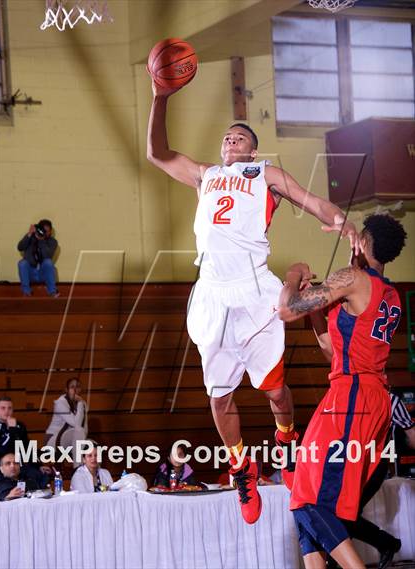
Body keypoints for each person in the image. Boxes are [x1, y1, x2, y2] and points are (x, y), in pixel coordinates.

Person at [146, 72, 359, 524]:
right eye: (227, 136)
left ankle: (285, 438)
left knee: (277, 392)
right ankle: (241, 465)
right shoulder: (205, 174)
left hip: (254, 287)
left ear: (251, 150)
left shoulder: (265, 174)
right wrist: (159, 97)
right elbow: (156, 153)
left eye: (239, 136)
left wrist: (342, 220)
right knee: (219, 398)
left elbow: (312, 199)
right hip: (213, 294)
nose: (230, 139)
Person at [277, 214, 407, 569]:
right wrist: (317, 309)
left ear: (363, 243)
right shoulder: (390, 295)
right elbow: (333, 351)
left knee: (309, 501)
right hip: (364, 396)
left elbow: (286, 309)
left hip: (353, 399)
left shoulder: (352, 278)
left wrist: (293, 275)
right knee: (303, 493)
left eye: (356, 240)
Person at [0, 396, 52, 485]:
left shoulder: (20, 426)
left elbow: (27, 447)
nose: (7, 411)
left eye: (9, 408)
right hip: (1, 465)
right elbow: (0, 450)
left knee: (40, 475)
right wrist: (12, 430)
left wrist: (39, 465)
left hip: (20, 465)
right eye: (3, 408)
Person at [45, 378, 88, 469]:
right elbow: (76, 424)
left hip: (72, 438)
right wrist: (80, 403)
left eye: (78, 387)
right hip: (53, 440)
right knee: (79, 430)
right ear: (66, 390)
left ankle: (96, 477)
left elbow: (85, 426)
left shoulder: (82, 403)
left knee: (93, 446)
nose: (75, 390)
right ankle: (78, 468)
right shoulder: (60, 403)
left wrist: (81, 403)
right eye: (72, 387)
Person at [17, 218, 59, 297]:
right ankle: (26, 292)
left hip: (43, 273)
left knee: (48, 262)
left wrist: (42, 241)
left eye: (48, 231)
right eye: (43, 231)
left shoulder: (52, 242)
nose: (45, 233)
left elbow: (48, 255)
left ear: (50, 232)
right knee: (22, 263)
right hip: (31, 272)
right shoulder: (30, 238)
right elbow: (20, 247)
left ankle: (52, 291)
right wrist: (29, 234)